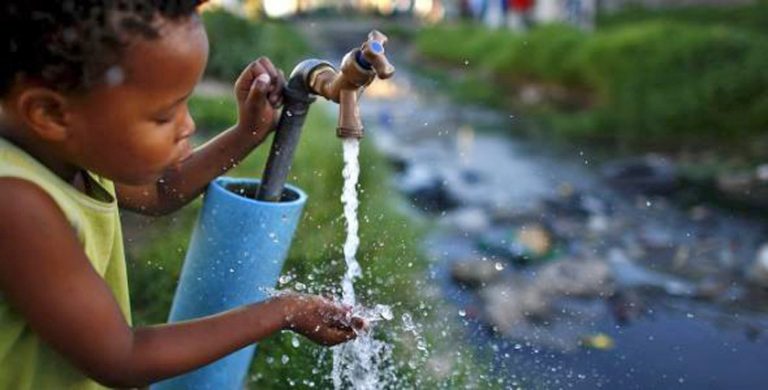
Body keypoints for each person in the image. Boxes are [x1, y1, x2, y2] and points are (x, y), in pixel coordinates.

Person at [0, 1, 364, 388]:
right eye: (163, 116)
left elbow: (159, 192)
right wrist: (283, 311)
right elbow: (121, 356)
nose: (188, 125)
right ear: (50, 114)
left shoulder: (65, 150)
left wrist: (249, 133)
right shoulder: (15, 201)